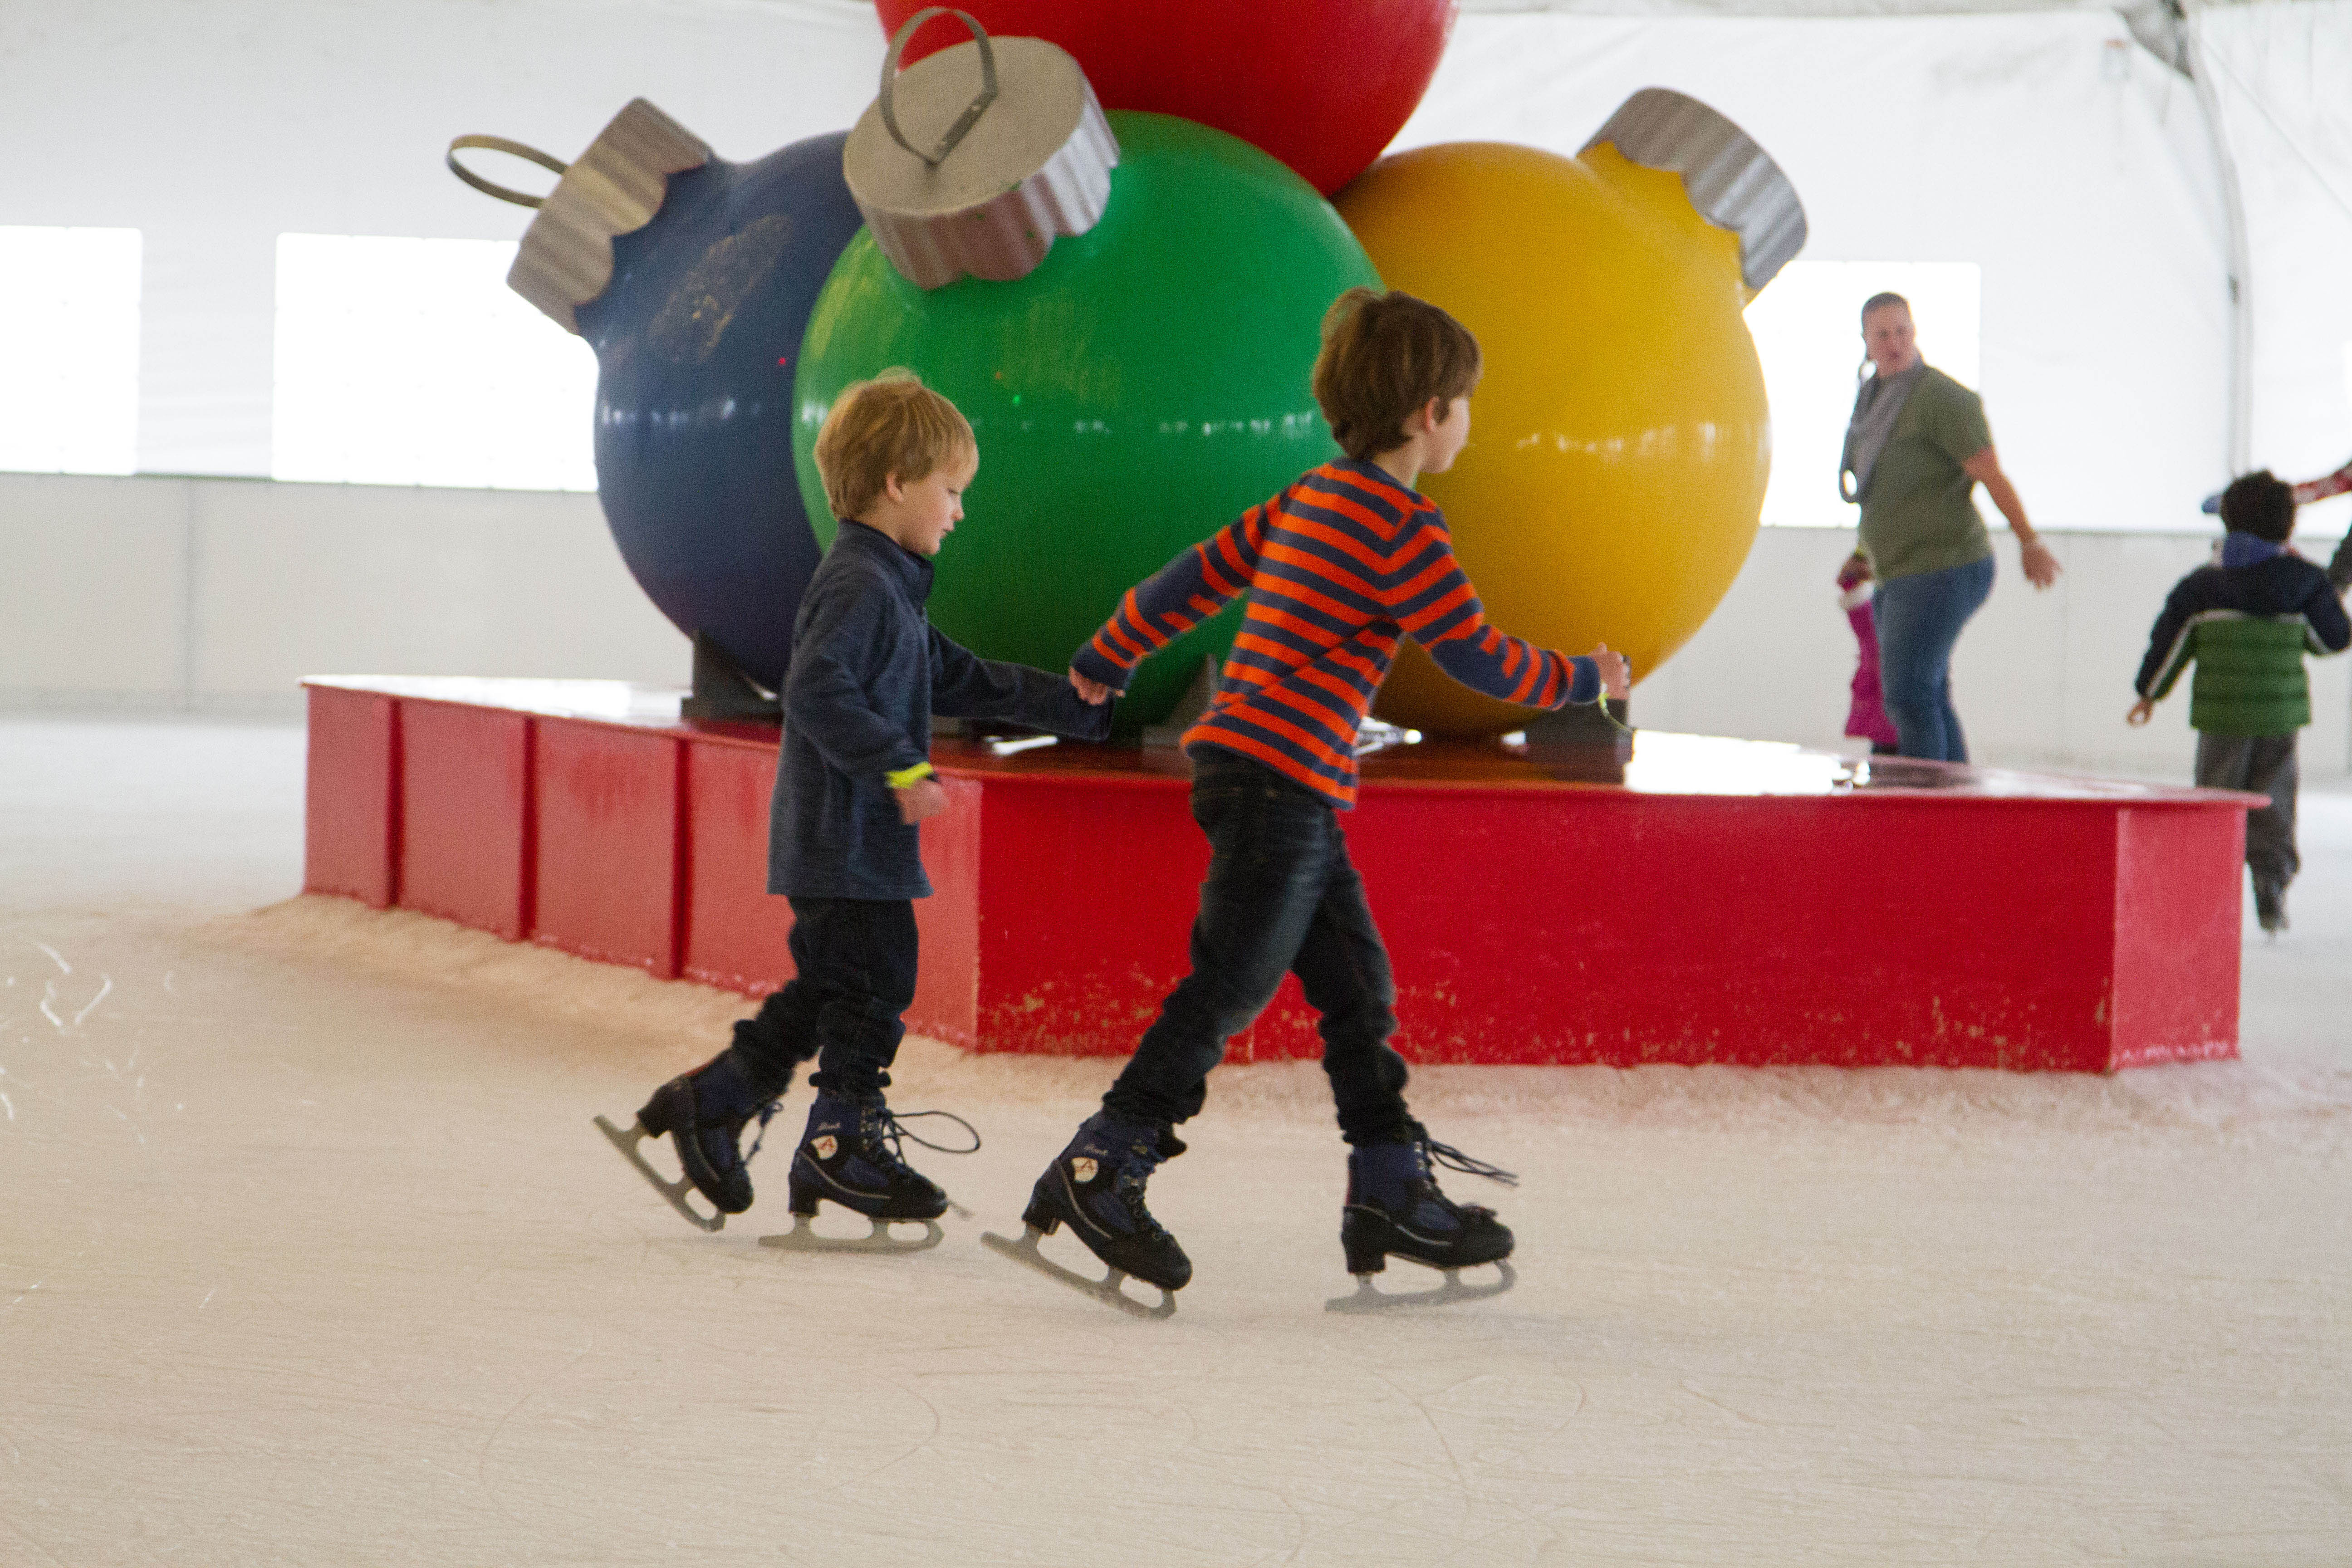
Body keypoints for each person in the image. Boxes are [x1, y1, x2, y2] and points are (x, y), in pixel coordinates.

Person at [1012, 288, 1631, 1298]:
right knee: (1232, 984)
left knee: (1356, 991)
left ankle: (1386, 1186)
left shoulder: (1308, 497)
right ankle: (1102, 1164)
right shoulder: (1401, 528)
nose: (1468, 418)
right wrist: (1582, 682)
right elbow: (1475, 657)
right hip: (1279, 785)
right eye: (1465, 401)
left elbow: (1192, 578)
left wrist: (1107, 652)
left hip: (1262, 778)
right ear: (1429, 413)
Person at [622, 372, 1110, 1225]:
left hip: (846, 841)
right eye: (950, 491)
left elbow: (955, 675)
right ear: (896, 484)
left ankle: (716, 1102)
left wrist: (1072, 705)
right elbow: (815, 687)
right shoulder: (860, 584)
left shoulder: (886, 583)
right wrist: (898, 765)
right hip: (840, 837)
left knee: (831, 985)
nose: (958, 511)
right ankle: (838, 1142)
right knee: (877, 980)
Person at [1840, 292, 2060, 761]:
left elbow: (1990, 472)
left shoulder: (1941, 399)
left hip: (1942, 567)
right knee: (1926, 692)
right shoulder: (1872, 399)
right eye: (1883, 334)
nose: (1895, 343)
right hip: (1898, 571)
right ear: (1865, 341)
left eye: (1903, 331)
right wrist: (1864, 553)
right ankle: (1959, 805)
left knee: (1907, 695)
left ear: (1915, 332)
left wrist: (2030, 540)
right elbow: (1881, 484)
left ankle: (1928, 811)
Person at [2130, 470, 2349, 934]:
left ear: (2228, 521)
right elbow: (2333, 640)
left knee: (2217, 798)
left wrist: (2149, 693)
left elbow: (2169, 644)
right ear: (2288, 525)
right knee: (2276, 801)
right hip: (2279, 716)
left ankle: (2208, 893)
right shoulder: (2304, 582)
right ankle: (2271, 888)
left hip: (2222, 717)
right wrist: (2330, 595)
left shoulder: (2203, 587)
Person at [1836, 550, 1899, 755]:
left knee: (1887, 745)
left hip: (1883, 684)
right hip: (1881, 684)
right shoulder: (1866, 606)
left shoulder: (1869, 605)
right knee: (1886, 745)